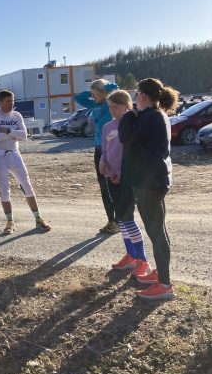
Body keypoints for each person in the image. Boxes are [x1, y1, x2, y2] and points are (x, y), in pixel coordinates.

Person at [119, 78, 179, 301]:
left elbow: (125, 137)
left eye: (136, 94)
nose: (134, 98)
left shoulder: (149, 117)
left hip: (149, 184)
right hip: (152, 182)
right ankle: (161, 275)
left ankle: (164, 284)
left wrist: (127, 115)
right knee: (158, 232)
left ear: (143, 96)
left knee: (156, 234)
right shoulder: (153, 116)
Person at [99, 91, 151, 278]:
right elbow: (104, 150)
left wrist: (123, 173)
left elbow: (135, 155)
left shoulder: (132, 125)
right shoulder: (107, 127)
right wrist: (102, 162)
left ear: (127, 105)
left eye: (116, 107)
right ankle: (130, 255)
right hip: (110, 178)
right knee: (120, 218)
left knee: (128, 218)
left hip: (128, 179)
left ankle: (142, 260)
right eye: (110, 107)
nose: (112, 110)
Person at [0, 90, 51, 234]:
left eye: (13, 100)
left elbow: (24, 135)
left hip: (14, 153)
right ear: (0, 102)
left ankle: (38, 218)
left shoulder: (17, 115)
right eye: (8, 101)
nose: (12, 103)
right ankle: (10, 221)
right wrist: (14, 133)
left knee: (27, 185)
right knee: (4, 190)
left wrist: (7, 131)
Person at [74, 79, 119, 234]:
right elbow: (78, 98)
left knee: (113, 184)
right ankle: (111, 221)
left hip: (112, 148)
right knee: (103, 187)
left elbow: (120, 98)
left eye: (94, 94)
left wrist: (108, 90)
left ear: (102, 93)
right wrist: (93, 90)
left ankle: (119, 221)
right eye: (92, 95)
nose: (92, 97)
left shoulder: (109, 104)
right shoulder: (95, 104)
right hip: (99, 148)